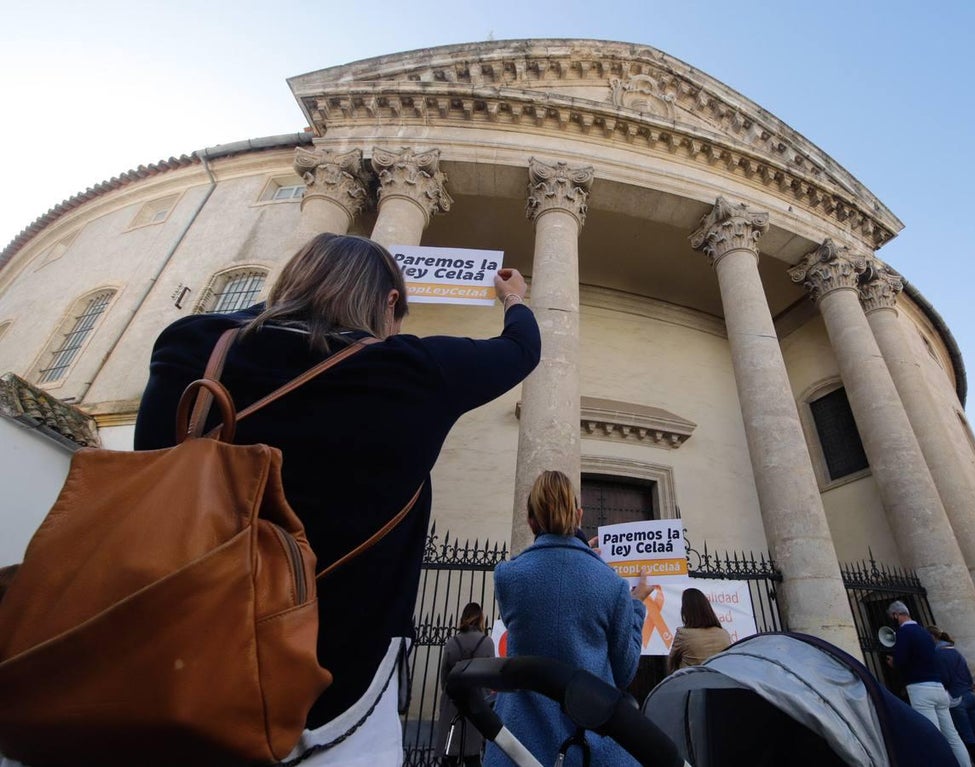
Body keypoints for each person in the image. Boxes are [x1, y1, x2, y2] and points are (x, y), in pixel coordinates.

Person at [133, 233, 540, 764]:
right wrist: (515, 300)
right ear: (390, 304)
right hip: (334, 693)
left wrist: (304, 288)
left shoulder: (190, 348)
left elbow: (149, 467)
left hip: (172, 666)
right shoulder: (412, 371)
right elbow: (521, 350)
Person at [486, 470, 651, 767]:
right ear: (579, 515)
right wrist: (635, 604)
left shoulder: (508, 576)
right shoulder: (611, 584)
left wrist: (578, 554)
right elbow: (624, 671)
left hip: (519, 745)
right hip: (590, 741)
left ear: (530, 520)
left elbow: (552, 594)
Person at [885, 601, 971, 767]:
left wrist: (893, 662)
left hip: (920, 688)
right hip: (938, 687)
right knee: (952, 736)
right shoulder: (925, 633)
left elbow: (901, 660)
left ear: (896, 615)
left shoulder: (904, 632)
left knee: (930, 734)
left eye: (892, 617)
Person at [927, 627, 975, 767]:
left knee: (966, 734)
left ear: (932, 637)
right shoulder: (955, 651)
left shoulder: (939, 654)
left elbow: (945, 678)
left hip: (956, 697)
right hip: (968, 694)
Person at [435, 603, 495, 767]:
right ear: (481, 619)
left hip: (453, 705)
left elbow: (444, 679)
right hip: (476, 705)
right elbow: (490, 677)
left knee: (449, 758)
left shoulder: (452, 643)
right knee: (473, 758)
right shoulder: (487, 643)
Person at [667, 587, 731, 672]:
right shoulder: (723, 634)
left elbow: (671, 664)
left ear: (686, 610)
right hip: (722, 681)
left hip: (693, 682)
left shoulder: (683, 634)